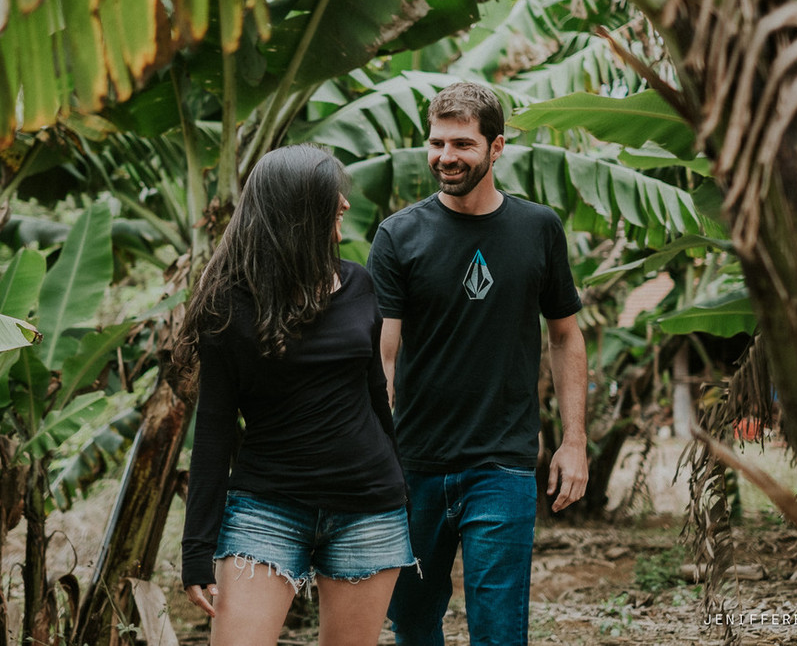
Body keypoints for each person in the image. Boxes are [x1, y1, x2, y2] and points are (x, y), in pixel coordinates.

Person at [366, 81, 589, 646]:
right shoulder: (399, 235)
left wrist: (574, 440)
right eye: (437, 143)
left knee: (498, 630)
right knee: (412, 623)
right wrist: (372, 454)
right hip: (413, 463)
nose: (446, 157)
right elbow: (382, 353)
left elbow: (566, 335)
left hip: (502, 464)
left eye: (462, 144)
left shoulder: (538, 228)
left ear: (497, 148)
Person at [178, 144, 414, 646]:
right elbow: (215, 430)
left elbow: (376, 396)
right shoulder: (228, 303)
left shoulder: (359, 284)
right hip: (266, 508)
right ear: (299, 208)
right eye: (335, 195)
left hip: (367, 508)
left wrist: (399, 483)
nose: (345, 205)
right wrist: (196, 549)